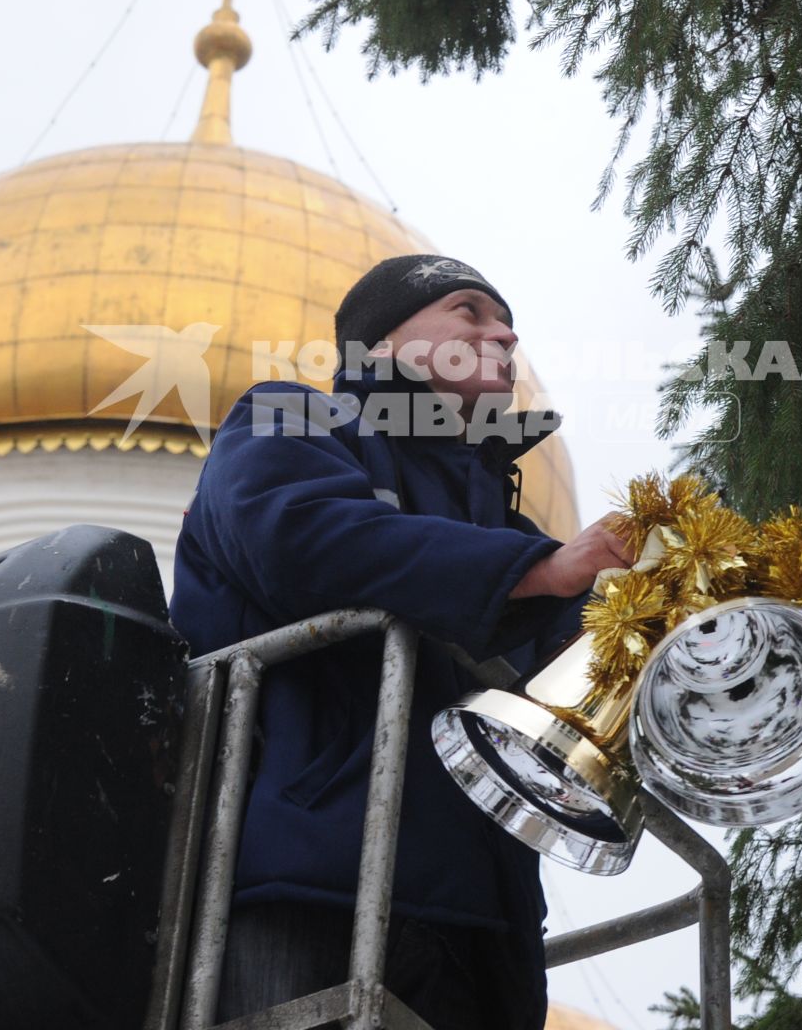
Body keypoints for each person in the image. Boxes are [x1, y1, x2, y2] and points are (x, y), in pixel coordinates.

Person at [169, 254, 631, 1030]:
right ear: (379, 347)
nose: (504, 334)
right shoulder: (290, 420)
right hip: (312, 879)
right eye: (468, 311)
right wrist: (539, 570)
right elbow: (301, 540)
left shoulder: (498, 526)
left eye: (505, 322)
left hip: (486, 926)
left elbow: (585, 664)